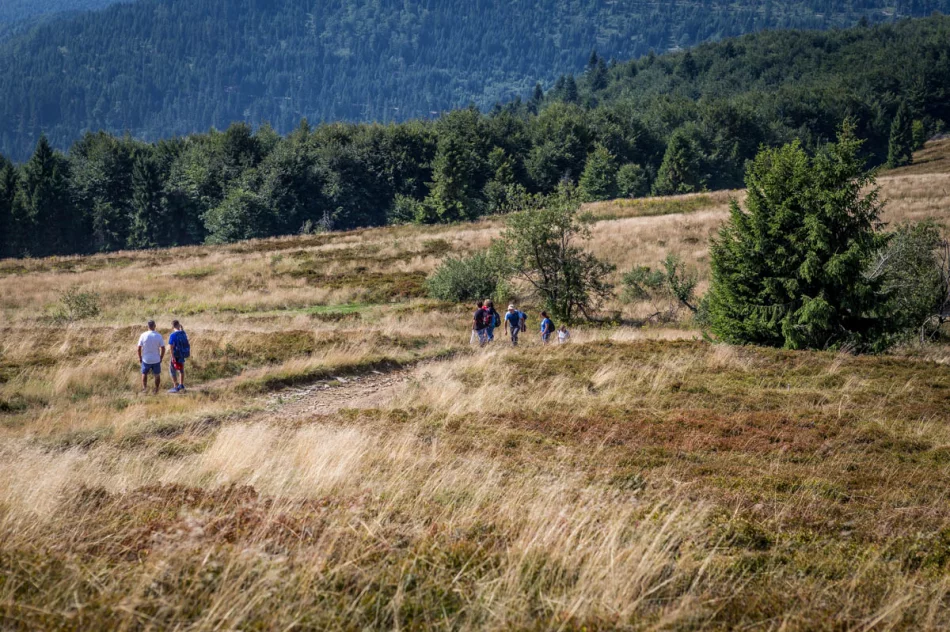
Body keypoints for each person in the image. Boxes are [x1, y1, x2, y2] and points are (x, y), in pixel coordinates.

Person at [137, 319, 165, 394]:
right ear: (154, 326)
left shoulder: (143, 335)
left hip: (146, 359)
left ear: (148, 326)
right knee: (157, 374)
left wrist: (140, 357)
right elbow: (163, 348)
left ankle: (144, 388)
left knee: (144, 373)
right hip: (156, 359)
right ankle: (156, 389)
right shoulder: (158, 336)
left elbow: (139, 348)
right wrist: (161, 357)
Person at [167, 320, 190, 393]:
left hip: (176, 354)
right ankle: (181, 384)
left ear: (172, 326)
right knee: (181, 369)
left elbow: (171, 347)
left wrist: (172, 356)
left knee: (172, 370)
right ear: (179, 325)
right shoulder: (183, 333)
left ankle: (175, 386)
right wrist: (181, 328)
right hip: (182, 354)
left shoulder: (173, 335)